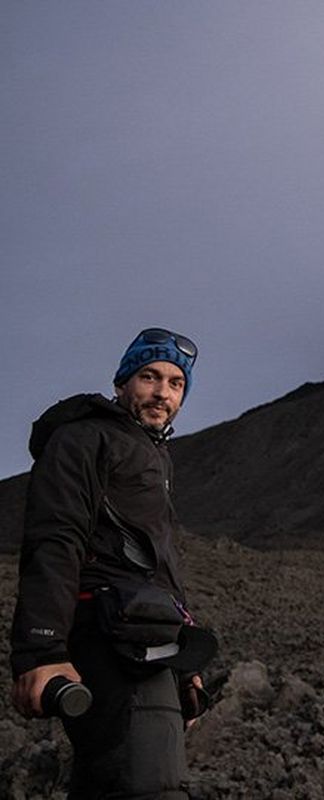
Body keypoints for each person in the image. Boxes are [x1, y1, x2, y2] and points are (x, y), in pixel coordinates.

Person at [10, 327, 212, 799]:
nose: (162, 392)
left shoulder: (152, 455)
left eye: (175, 383)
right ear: (123, 381)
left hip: (147, 640)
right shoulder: (84, 439)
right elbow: (56, 538)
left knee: (108, 784)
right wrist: (43, 652)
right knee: (149, 787)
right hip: (110, 641)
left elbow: (156, 568)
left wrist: (182, 665)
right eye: (149, 376)